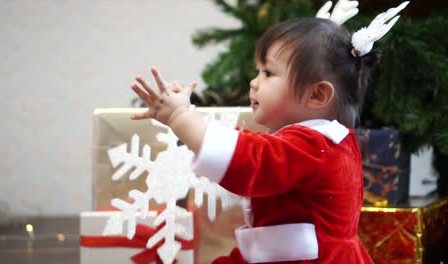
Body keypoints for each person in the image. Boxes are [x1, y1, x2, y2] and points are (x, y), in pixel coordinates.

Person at [129, 1, 408, 263]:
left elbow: (251, 160)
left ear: (317, 95)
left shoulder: (314, 146)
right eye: (257, 71)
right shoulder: (318, 141)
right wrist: (193, 123)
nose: (253, 82)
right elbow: (252, 148)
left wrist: (181, 117)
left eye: (268, 73)